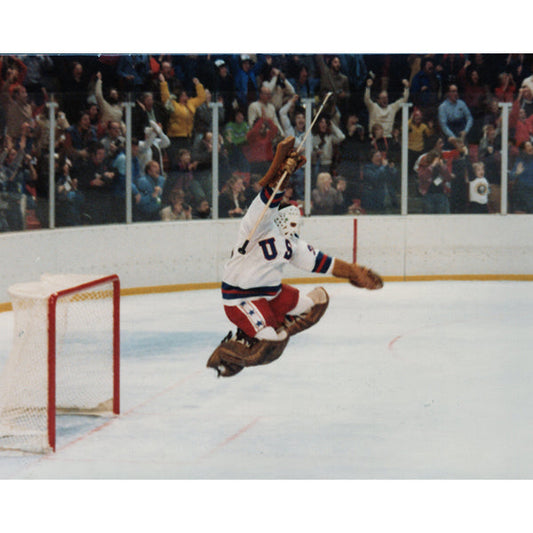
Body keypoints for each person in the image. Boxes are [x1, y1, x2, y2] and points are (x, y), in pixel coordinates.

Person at [206, 137, 383, 378]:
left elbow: (323, 263)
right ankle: (234, 349)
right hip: (240, 298)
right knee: (272, 341)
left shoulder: (291, 243)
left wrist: (353, 271)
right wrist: (281, 176)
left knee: (317, 302)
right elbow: (267, 201)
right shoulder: (254, 227)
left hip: (271, 295)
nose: (293, 219)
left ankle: (272, 322)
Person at [159, 73, 206, 168]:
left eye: (186, 95)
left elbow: (202, 98)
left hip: (187, 137)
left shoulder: (191, 104)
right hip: (175, 138)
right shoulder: (174, 105)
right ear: (179, 97)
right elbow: (165, 99)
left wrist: (198, 85)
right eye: (183, 96)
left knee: (187, 160)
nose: (186, 97)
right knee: (176, 161)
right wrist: (163, 83)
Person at [438, 84, 474, 149]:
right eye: (453, 91)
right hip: (449, 134)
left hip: (461, 132)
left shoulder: (462, 103)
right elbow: (443, 125)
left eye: (456, 91)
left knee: (465, 153)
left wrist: (466, 131)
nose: (456, 93)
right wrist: (453, 138)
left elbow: (469, 118)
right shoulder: (442, 107)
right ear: (448, 93)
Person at [416, 150, 452, 214]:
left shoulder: (441, 167)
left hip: (441, 194)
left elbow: (448, 177)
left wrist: (443, 166)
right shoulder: (424, 166)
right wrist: (432, 165)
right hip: (428, 194)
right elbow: (423, 177)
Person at [509, 140, 533, 214]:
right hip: (522, 191)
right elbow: (511, 176)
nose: (531, 147)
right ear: (523, 150)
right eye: (528, 146)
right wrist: (517, 172)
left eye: (531, 145)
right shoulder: (520, 161)